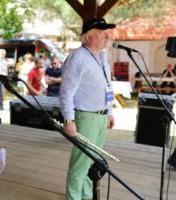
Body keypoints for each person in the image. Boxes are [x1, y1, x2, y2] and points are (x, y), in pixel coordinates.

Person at [59, 18, 115, 200]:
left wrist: (110, 112)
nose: (107, 36)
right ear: (89, 37)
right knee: (80, 165)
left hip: (100, 116)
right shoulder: (78, 57)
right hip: (85, 117)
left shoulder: (102, 56)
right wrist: (69, 120)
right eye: (102, 32)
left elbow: (107, 86)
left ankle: (85, 197)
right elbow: (66, 93)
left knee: (91, 163)